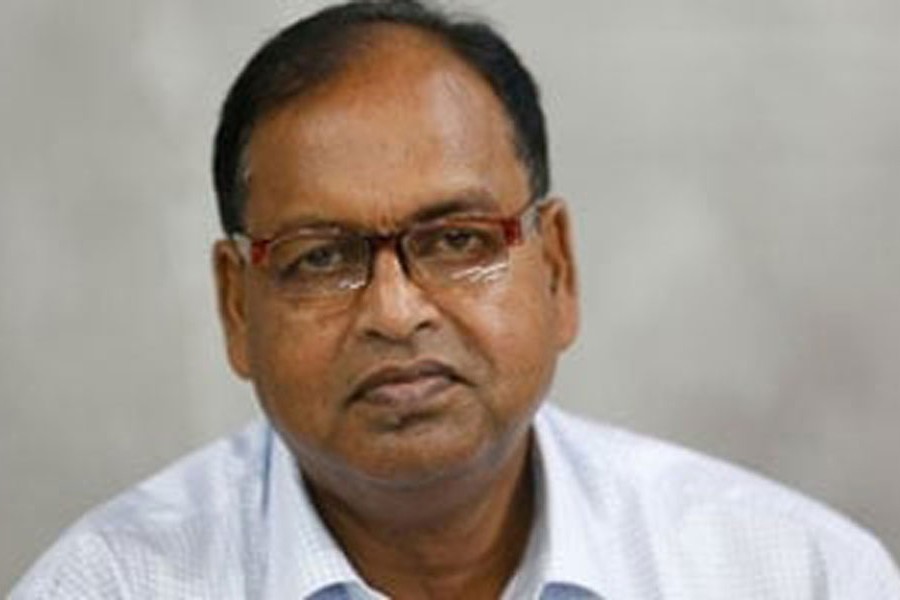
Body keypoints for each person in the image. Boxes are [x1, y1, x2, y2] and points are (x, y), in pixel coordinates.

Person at [12, 1, 900, 598]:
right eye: (322, 258)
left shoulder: (796, 575)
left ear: (557, 268)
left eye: (457, 241)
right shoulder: (108, 587)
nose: (395, 313)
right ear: (237, 307)